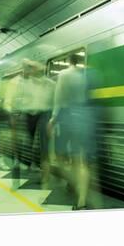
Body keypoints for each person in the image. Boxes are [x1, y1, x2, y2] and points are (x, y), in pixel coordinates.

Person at [48, 54, 92, 210]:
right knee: (80, 159)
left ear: (68, 62)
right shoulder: (82, 76)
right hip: (82, 117)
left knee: (60, 156)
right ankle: (82, 200)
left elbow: (58, 97)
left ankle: (72, 182)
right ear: (78, 61)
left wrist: (53, 118)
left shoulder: (63, 74)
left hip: (67, 116)